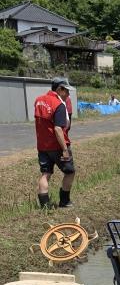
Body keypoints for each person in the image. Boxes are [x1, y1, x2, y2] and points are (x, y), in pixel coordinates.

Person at [33, 76, 76, 209]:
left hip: (42, 146)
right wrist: (64, 149)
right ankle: (64, 201)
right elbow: (58, 129)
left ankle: (45, 206)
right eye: (66, 91)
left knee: (46, 173)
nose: (68, 94)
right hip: (57, 145)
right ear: (59, 89)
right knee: (70, 172)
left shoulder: (38, 100)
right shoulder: (59, 105)